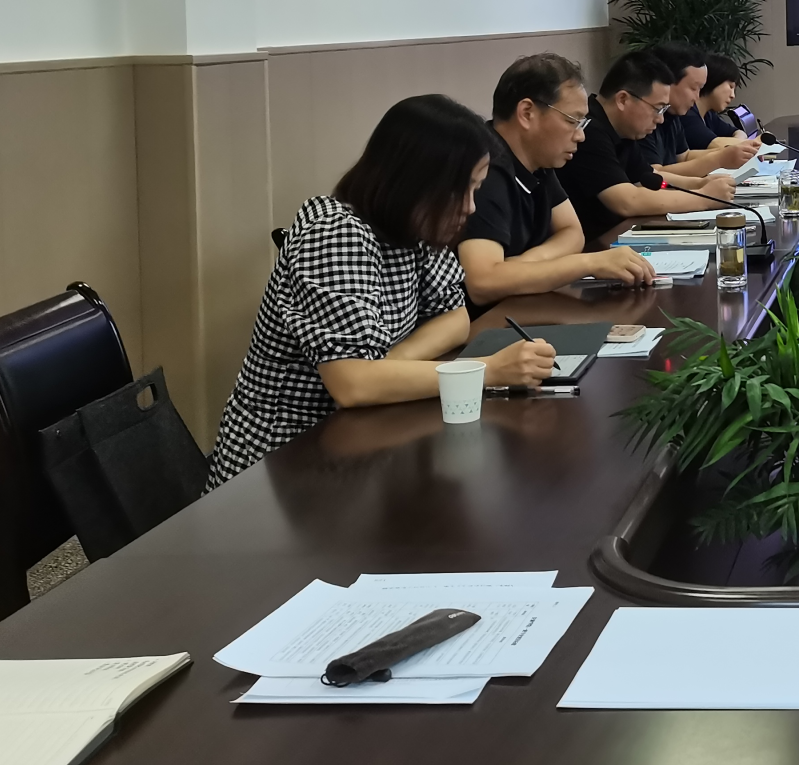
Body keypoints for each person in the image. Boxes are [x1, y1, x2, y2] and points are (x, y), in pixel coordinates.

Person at [206, 95, 557, 487]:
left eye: (477, 189)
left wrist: (389, 363)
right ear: (416, 183)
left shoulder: (415, 228)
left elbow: (456, 318)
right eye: (464, 189)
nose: (471, 207)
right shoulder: (336, 234)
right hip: (282, 464)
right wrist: (485, 372)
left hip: (360, 443)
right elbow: (352, 385)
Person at [455, 54, 656, 315]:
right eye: (572, 121)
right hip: (488, 326)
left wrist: (524, 264)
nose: (581, 135)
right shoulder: (485, 172)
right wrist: (588, 264)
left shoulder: (538, 161)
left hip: (525, 307)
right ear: (527, 113)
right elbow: (482, 283)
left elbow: (572, 232)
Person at [559, 50, 730, 242]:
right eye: (657, 108)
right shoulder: (589, 132)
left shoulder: (623, 131)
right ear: (623, 99)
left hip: (620, 235)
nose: (660, 119)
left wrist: (698, 184)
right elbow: (628, 201)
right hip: (595, 245)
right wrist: (704, 197)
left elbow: (649, 178)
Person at [638, 44, 757, 185]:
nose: (697, 97)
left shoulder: (673, 116)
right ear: (666, 82)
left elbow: (684, 156)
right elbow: (654, 176)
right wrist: (718, 160)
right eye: (694, 88)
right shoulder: (642, 120)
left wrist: (729, 154)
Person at [697, 53, 750, 140]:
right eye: (731, 86)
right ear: (715, 80)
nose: (733, 96)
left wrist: (737, 141)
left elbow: (738, 132)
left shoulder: (709, 115)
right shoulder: (689, 115)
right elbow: (714, 143)